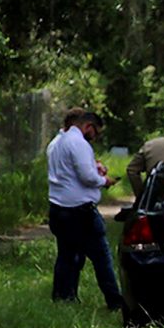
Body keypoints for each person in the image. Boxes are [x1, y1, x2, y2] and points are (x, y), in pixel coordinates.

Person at [46, 110, 123, 309]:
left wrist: (94, 167)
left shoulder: (56, 143)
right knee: (101, 257)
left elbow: (71, 171)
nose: (95, 137)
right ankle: (114, 300)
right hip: (80, 211)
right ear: (88, 126)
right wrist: (104, 180)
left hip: (58, 208)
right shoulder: (79, 143)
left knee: (67, 255)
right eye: (95, 132)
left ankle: (63, 297)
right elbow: (87, 177)